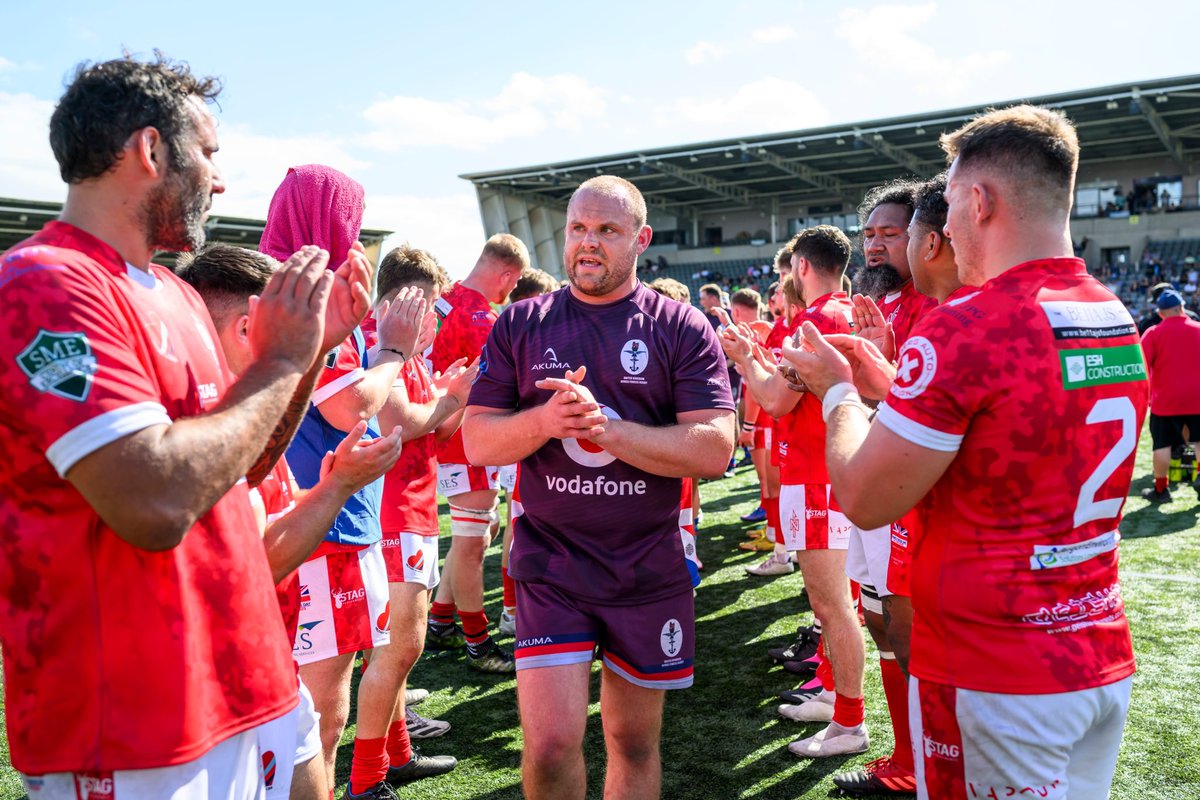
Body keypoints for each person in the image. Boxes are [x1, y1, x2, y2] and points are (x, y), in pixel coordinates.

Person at [0, 54, 365, 797]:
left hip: (237, 679)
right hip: (133, 719)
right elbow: (156, 502)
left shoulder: (171, 288)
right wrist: (278, 363)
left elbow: (235, 466)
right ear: (151, 150)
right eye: (209, 153)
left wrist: (307, 354)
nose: (219, 179)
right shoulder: (45, 284)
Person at [784, 104, 1148, 800]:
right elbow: (999, 434)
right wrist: (892, 383)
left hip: (998, 667)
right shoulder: (1111, 310)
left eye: (948, 202)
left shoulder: (969, 327)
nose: (944, 225)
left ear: (979, 201)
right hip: (1095, 645)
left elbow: (863, 497)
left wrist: (836, 393)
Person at [462, 175, 736, 800]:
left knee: (632, 742)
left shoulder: (681, 325)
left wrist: (608, 431)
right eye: (579, 229)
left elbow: (717, 450)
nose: (588, 244)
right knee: (551, 746)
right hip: (551, 563)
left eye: (607, 231)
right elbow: (478, 441)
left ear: (640, 239)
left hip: (646, 566)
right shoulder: (522, 323)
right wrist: (546, 421)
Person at [178, 243, 405, 799]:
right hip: (210, 707)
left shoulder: (242, 415)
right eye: (292, 324)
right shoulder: (193, 427)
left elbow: (268, 521)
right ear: (248, 327)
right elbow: (255, 561)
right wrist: (336, 490)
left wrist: (332, 486)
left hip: (272, 675)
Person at [262, 165, 428, 800]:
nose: (357, 236)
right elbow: (348, 405)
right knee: (318, 717)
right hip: (321, 527)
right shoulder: (306, 291)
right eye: (350, 219)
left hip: (297, 519)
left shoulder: (272, 283)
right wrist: (393, 350)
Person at [721, 226, 868, 757]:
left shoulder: (816, 320)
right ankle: (833, 696)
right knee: (840, 603)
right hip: (835, 472)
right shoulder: (847, 311)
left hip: (815, 477)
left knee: (832, 607)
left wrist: (743, 358)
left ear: (802, 267)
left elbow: (776, 402)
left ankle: (850, 723)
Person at [426, 234, 529, 673]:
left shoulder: (442, 294)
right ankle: (479, 643)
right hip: (467, 441)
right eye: (513, 283)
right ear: (507, 274)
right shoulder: (483, 318)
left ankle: (441, 620)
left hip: (436, 431)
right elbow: (500, 389)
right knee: (471, 544)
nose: (510, 292)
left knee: (471, 537)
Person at [496, 266, 561, 635]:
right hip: (522, 448)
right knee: (519, 526)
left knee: (519, 525)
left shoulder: (530, 329)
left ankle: (516, 607)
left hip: (527, 446)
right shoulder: (520, 332)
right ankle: (511, 609)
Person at [1139, 288, 1200, 503]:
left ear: (1161, 312)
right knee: (1199, 441)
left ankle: (1161, 490)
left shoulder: (1153, 333)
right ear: (1182, 308)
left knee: (1162, 445)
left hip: (1165, 400)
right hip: (1197, 397)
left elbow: (1142, 367)